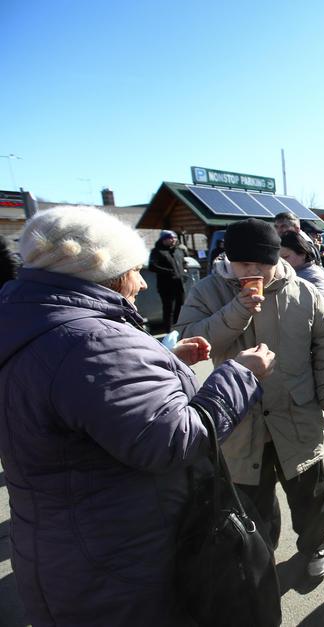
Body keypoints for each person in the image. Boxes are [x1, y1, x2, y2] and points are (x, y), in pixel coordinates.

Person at [0, 206, 273, 627]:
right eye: (133, 268)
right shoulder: (93, 341)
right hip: (123, 558)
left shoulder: (28, 319)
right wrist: (240, 375)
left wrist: (160, 361)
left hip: (63, 548)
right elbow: (173, 440)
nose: (142, 281)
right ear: (102, 271)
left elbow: (83, 395)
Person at [175, 218, 324, 579]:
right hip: (240, 420)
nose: (251, 272)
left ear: (276, 258)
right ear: (229, 260)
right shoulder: (208, 291)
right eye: (243, 264)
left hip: (295, 412)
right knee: (252, 501)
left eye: (261, 264)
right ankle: (259, 557)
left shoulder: (303, 291)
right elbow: (188, 341)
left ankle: (315, 544)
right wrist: (238, 309)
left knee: (309, 493)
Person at [280, 230, 324, 303]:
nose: (281, 261)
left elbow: (320, 300)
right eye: (278, 258)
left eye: (286, 257)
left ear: (303, 254)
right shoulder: (286, 272)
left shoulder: (313, 276)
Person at [148, 230, 187, 331]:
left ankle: (178, 327)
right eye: (170, 238)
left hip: (179, 284)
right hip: (166, 286)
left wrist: (184, 270)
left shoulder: (178, 250)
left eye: (174, 238)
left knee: (181, 306)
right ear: (163, 240)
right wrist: (170, 272)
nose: (173, 240)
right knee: (169, 308)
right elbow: (152, 266)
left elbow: (183, 262)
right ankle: (168, 330)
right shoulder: (157, 251)